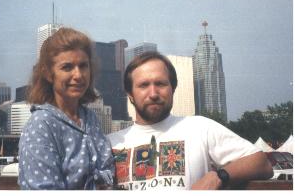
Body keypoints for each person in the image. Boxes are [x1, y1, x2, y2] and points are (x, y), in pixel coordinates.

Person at [108, 51, 273, 190]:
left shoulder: (200, 127)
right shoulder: (109, 144)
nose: (153, 93)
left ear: (173, 88)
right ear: (130, 94)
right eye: (143, 85)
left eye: (161, 84)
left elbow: (261, 163)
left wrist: (219, 176)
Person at [18, 27, 114, 190]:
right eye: (67, 67)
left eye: (83, 66)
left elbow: (108, 170)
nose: (78, 75)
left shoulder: (90, 118)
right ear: (49, 74)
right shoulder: (41, 125)